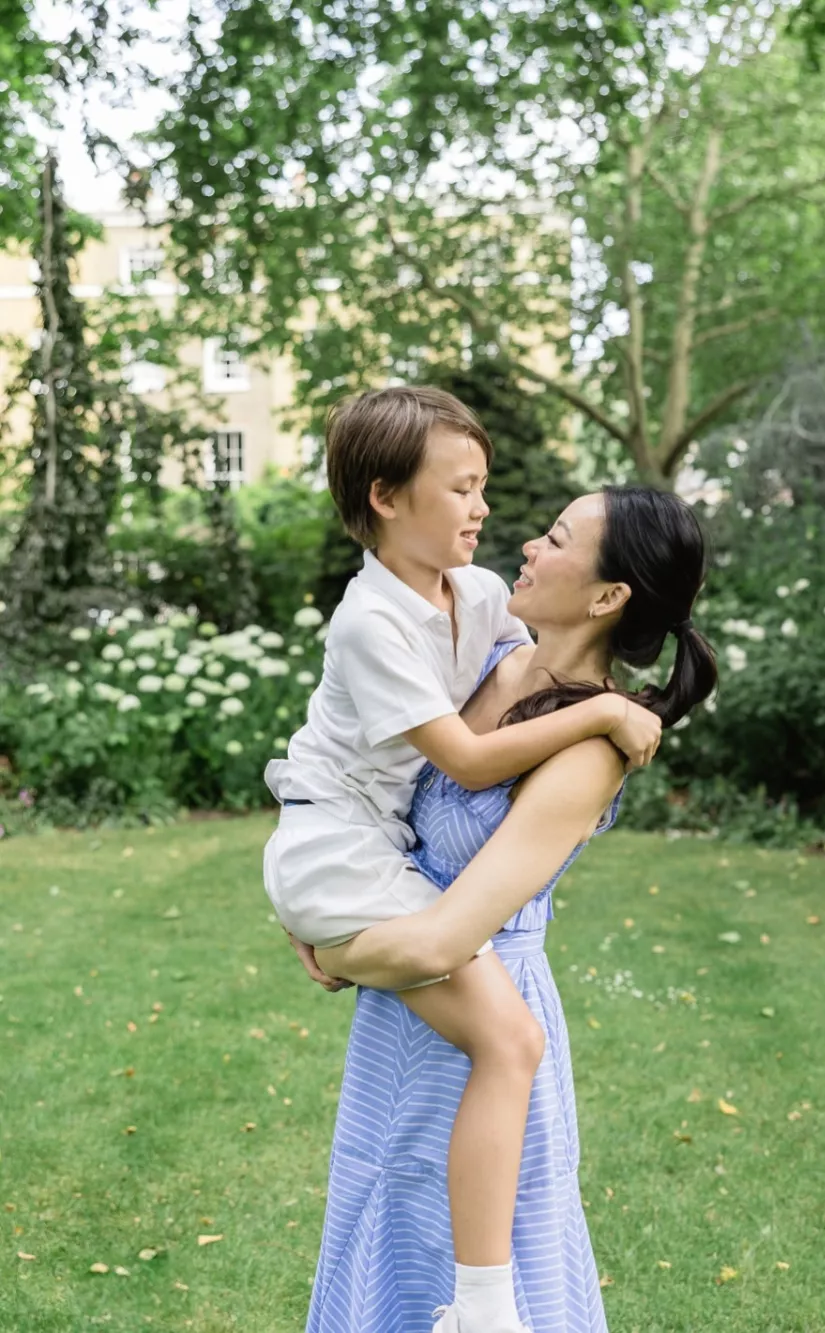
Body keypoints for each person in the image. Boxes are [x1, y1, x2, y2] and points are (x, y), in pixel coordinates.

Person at [264, 386, 663, 1333]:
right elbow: (470, 761)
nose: (500, 521)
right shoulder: (377, 623)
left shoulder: (480, 603)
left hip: (439, 943)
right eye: (463, 488)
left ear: (610, 595)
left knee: (511, 1045)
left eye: (555, 537)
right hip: (349, 852)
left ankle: (484, 1307)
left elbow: (443, 918)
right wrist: (610, 706)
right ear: (386, 498)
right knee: (393, 1211)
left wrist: (344, 949)